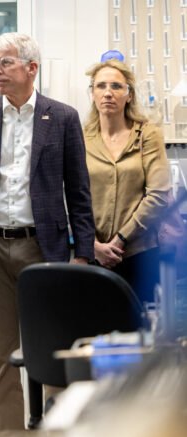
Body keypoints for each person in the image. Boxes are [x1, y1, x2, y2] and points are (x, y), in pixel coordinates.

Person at [0, 32, 95, 437]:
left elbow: (79, 191)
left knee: (51, 354)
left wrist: (81, 254)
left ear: (32, 68)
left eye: (6, 62)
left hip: (44, 250)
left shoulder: (62, 117)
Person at [84, 58, 170, 303]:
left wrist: (120, 240)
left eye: (116, 86)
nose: (108, 93)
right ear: (92, 93)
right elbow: (68, 196)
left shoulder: (147, 135)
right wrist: (92, 245)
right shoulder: (80, 138)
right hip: (93, 255)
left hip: (140, 254)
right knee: (95, 332)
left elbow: (158, 194)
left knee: (142, 332)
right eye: (101, 86)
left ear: (129, 95)